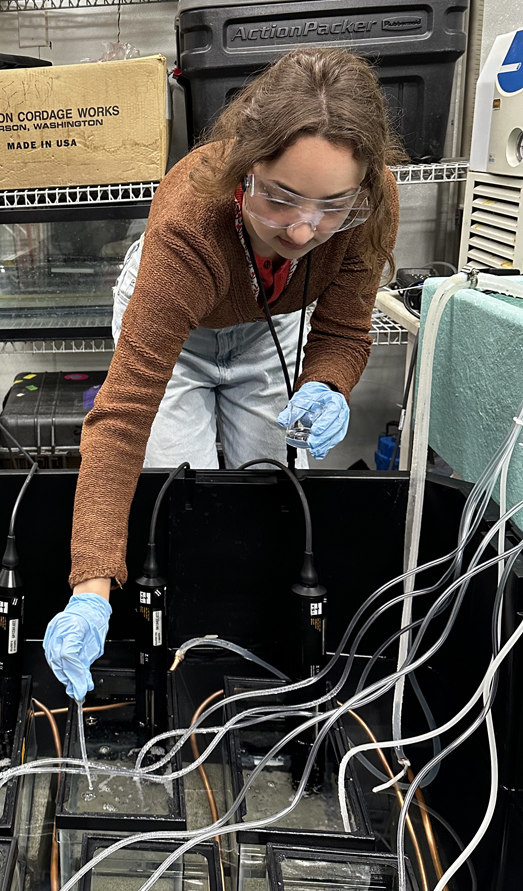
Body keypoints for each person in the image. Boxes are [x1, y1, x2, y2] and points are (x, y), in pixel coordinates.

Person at [43, 47, 404, 701]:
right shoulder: (191, 224)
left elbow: (344, 331)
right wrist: (91, 584)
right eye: (282, 199)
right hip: (181, 328)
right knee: (182, 493)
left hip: (270, 324)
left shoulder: (369, 204)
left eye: (332, 207)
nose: (303, 228)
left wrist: (328, 383)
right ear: (244, 171)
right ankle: (182, 652)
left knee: (265, 486)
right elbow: (121, 418)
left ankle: (249, 654)